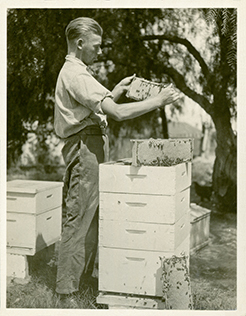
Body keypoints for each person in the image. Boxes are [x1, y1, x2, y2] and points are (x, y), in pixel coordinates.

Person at [54, 16, 180, 299]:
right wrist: (158, 101)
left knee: (91, 217)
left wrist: (116, 91)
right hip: (85, 147)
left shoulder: (77, 72)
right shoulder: (77, 74)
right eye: (96, 46)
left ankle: (81, 282)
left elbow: (96, 105)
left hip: (91, 146)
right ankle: (66, 293)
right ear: (80, 43)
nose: (100, 52)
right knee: (78, 220)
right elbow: (118, 113)